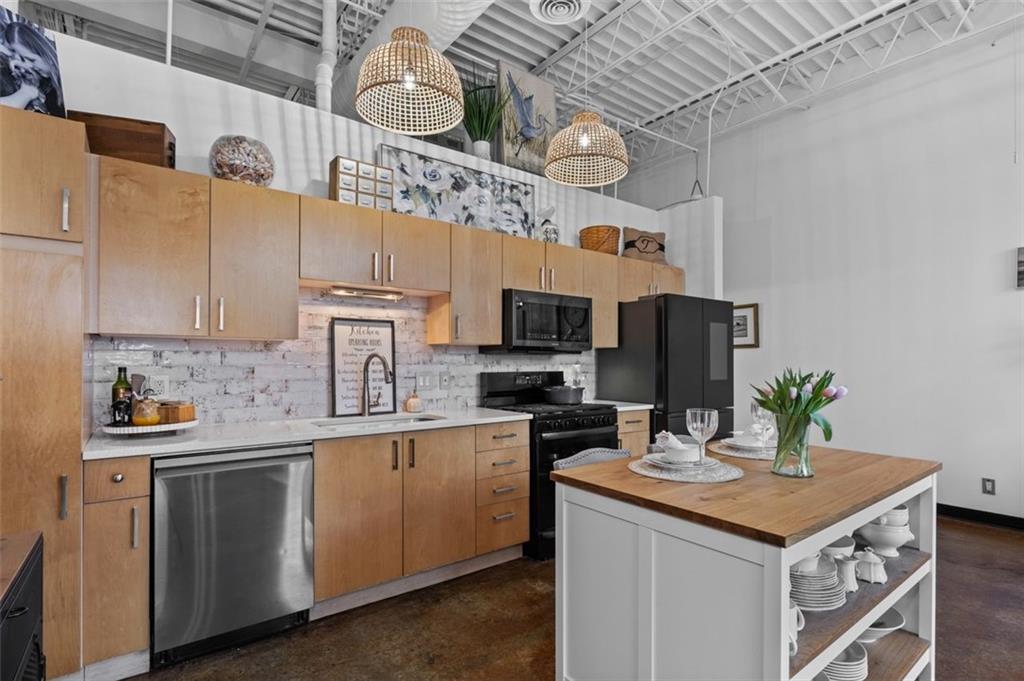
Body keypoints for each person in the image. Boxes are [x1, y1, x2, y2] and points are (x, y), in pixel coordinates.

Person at [0, 19, 64, 116]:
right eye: (22, 60)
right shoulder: (41, 82)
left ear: (44, 53)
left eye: (32, 60)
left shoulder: (60, 84)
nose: (28, 66)